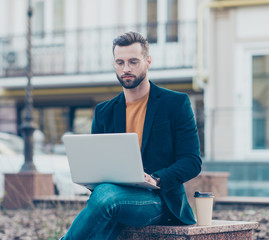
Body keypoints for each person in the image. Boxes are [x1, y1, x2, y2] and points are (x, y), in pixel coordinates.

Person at [62, 31, 202, 240]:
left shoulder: (175, 103)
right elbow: (98, 166)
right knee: (106, 198)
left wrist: (156, 178)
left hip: (159, 200)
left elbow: (191, 161)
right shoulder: (104, 111)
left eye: (133, 62)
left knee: (106, 198)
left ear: (148, 62)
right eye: (120, 62)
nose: (126, 68)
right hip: (113, 197)